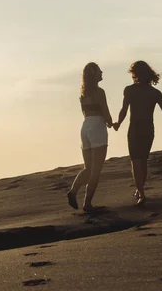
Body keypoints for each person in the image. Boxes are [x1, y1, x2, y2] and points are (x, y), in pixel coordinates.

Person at [113, 61, 162, 206]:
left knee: (137, 162)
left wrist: (118, 123)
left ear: (135, 74)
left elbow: (124, 110)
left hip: (137, 129)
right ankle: (140, 191)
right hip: (148, 129)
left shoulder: (131, 90)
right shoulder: (154, 92)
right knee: (142, 161)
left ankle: (141, 193)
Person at [67, 62, 113, 212]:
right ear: (94, 74)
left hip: (85, 126)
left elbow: (85, 113)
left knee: (88, 167)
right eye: (99, 71)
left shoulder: (83, 94)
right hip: (96, 126)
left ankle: (73, 191)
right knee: (96, 170)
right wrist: (112, 123)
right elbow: (105, 112)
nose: (102, 73)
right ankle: (87, 203)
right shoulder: (99, 92)